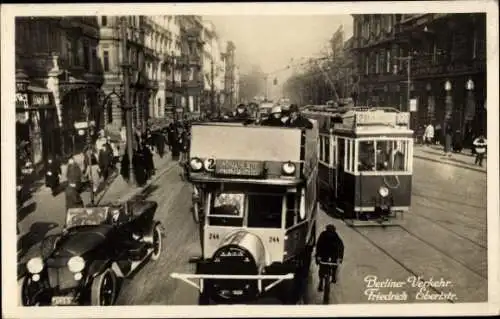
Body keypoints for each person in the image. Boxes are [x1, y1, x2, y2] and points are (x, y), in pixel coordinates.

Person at [315, 224, 344, 291]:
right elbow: (319, 246)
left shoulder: (335, 237)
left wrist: (339, 258)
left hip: (333, 254)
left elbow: (340, 248)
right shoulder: (323, 235)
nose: (330, 234)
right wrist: (318, 256)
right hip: (324, 254)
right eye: (329, 232)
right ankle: (321, 282)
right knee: (322, 269)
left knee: (333, 267)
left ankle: (332, 276)